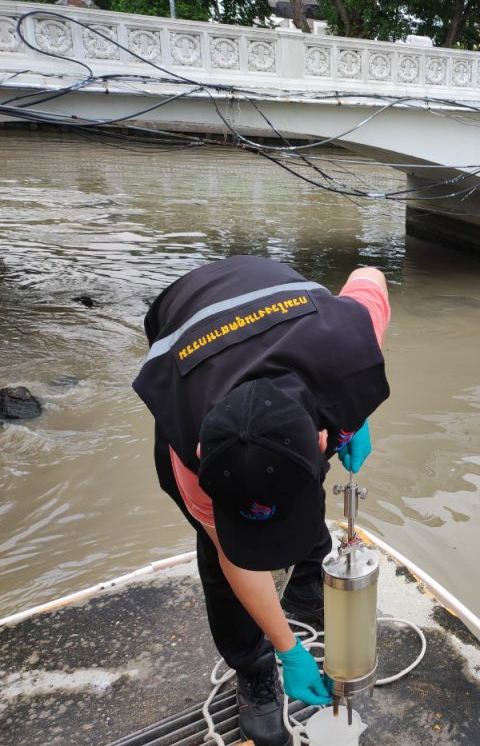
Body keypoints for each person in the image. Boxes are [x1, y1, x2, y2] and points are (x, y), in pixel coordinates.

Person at [132, 255, 390, 746]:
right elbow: (234, 556)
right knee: (219, 550)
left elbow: (369, 276)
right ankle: (252, 668)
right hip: (188, 326)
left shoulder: (347, 343)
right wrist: (285, 648)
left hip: (284, 309)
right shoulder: (188, 451)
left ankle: (307, 589)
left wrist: (355, 411)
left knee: (288, 490)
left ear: (318, 439)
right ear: (205, 456)